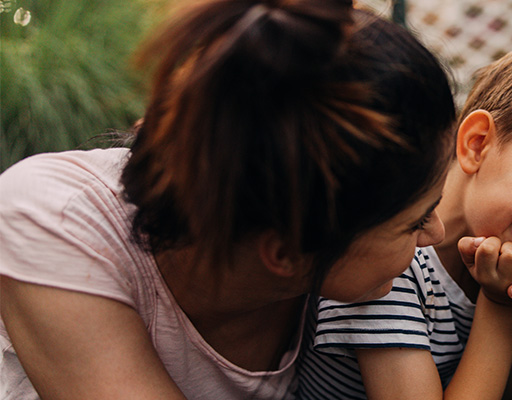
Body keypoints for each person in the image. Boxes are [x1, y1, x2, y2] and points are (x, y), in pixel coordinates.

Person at [0, 1, 457, 398]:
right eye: (415, 222)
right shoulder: (53, 218)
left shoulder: (333, 261)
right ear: (286, 251)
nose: (435, 233)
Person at [297, 41, 512, 400]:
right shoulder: (388, 267)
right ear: (477, 144)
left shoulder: (494, 264)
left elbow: (485, 389)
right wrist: (502, 308)